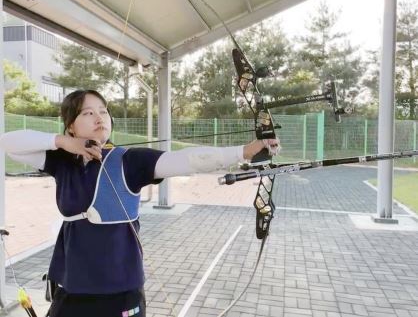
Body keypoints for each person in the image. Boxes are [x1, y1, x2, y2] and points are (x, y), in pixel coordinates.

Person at [0, 89, 279, 317]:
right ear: (71, 125)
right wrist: (63, 143)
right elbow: (7, 142)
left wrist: (244, 151)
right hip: (71, 287)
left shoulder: (129, 161)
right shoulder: (63, 163)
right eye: (87, 112)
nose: (99, 117)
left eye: (103, 111)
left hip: (120, 291)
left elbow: (188, 160)